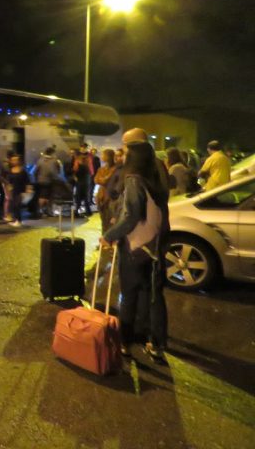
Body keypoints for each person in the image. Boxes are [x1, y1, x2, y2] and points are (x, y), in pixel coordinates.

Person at [101, 141, 169, 363]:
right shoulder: (155, 180)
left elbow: (131, 216)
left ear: (134, 158)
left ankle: (124, 342)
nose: (122, 157)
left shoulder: (133, 180)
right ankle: (154, 343)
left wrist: (109, 235)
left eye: (126, 154)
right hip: (153, 246)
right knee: (149, 294)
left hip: (134, 246)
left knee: (129, 295)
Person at [93, 149, 116, 234]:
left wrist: (103, 179)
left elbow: (105, 181)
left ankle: (109, 237)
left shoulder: (115, 169)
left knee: (110, 219)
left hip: (110, 195)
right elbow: (96, 180)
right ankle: (104, 237)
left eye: (103, 155)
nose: (102, 157)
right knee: (103, 219)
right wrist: (103, 179)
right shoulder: (101, 169)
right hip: (101, 196)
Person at [34, 147, 62, 217]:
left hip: (40, 180)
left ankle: (40, 210)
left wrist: (37, 178)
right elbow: (56, 170)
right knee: (49, 196)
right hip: (50, 180)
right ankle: (47, 211)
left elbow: (35, 171)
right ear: (52, 153)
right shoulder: (54, 161)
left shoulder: (40, 160)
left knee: (42, 196)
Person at [5, 153, 29, 227]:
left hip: (20, 191)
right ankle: (16, 220)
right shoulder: (10, 171)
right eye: (13, 160)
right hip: (13, 191)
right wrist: (9, 190)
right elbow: (9, 182)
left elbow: (27, 181)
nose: (14, 161)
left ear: (19, 161)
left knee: (17, 205)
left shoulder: (22, 171)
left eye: (15, 160)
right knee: (14, 206)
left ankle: (19, 220)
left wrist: (27, 190)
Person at [73, 144, 93, 217]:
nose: (83, 149)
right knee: (80, 194)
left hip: (85, 176)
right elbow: (75, 167)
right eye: (82, 148)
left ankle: (85, 211)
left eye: (84, 148)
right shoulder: (78, 156)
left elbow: (90, 167)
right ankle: (83, 211)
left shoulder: (88, 156)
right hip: (81, 177)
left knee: (84, 194)